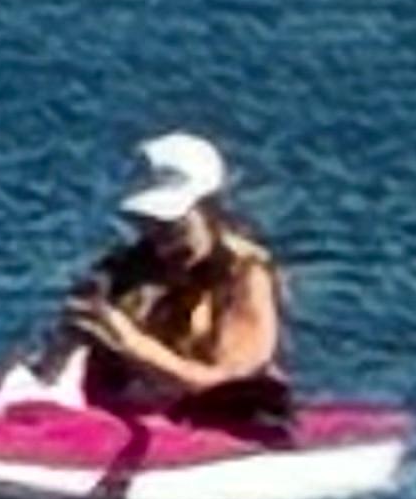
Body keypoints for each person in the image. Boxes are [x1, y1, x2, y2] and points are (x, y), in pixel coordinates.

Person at [44, 130, 287, 416]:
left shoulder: (245, 276)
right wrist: (67, 342)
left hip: (228, 422)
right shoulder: (121, 271)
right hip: (129, 421)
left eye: (174, 226)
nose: (162, 243)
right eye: (148, 224)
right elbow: (54, 370)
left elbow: (229, 382)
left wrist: (130, 343)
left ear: (210, 209)